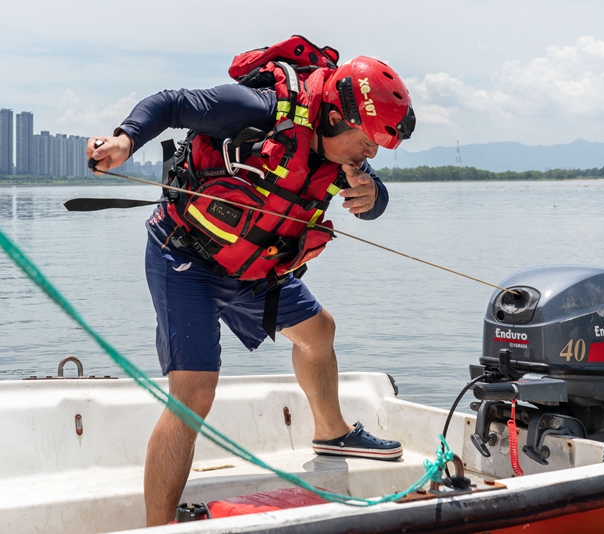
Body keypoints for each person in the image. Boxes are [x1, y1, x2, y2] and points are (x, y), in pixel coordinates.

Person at [86, 41, 416, 526]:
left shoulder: (341, 153)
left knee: (318, 332)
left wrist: (374, 196)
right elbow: (171, 103)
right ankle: (159, 523)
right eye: (367, 142)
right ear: (332, 118)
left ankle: (332, 431)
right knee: (194, 394)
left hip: (254, 266)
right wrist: (124, 140)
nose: (370, 155)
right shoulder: (257, 108)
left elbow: (370, 191)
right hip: (185, 255)